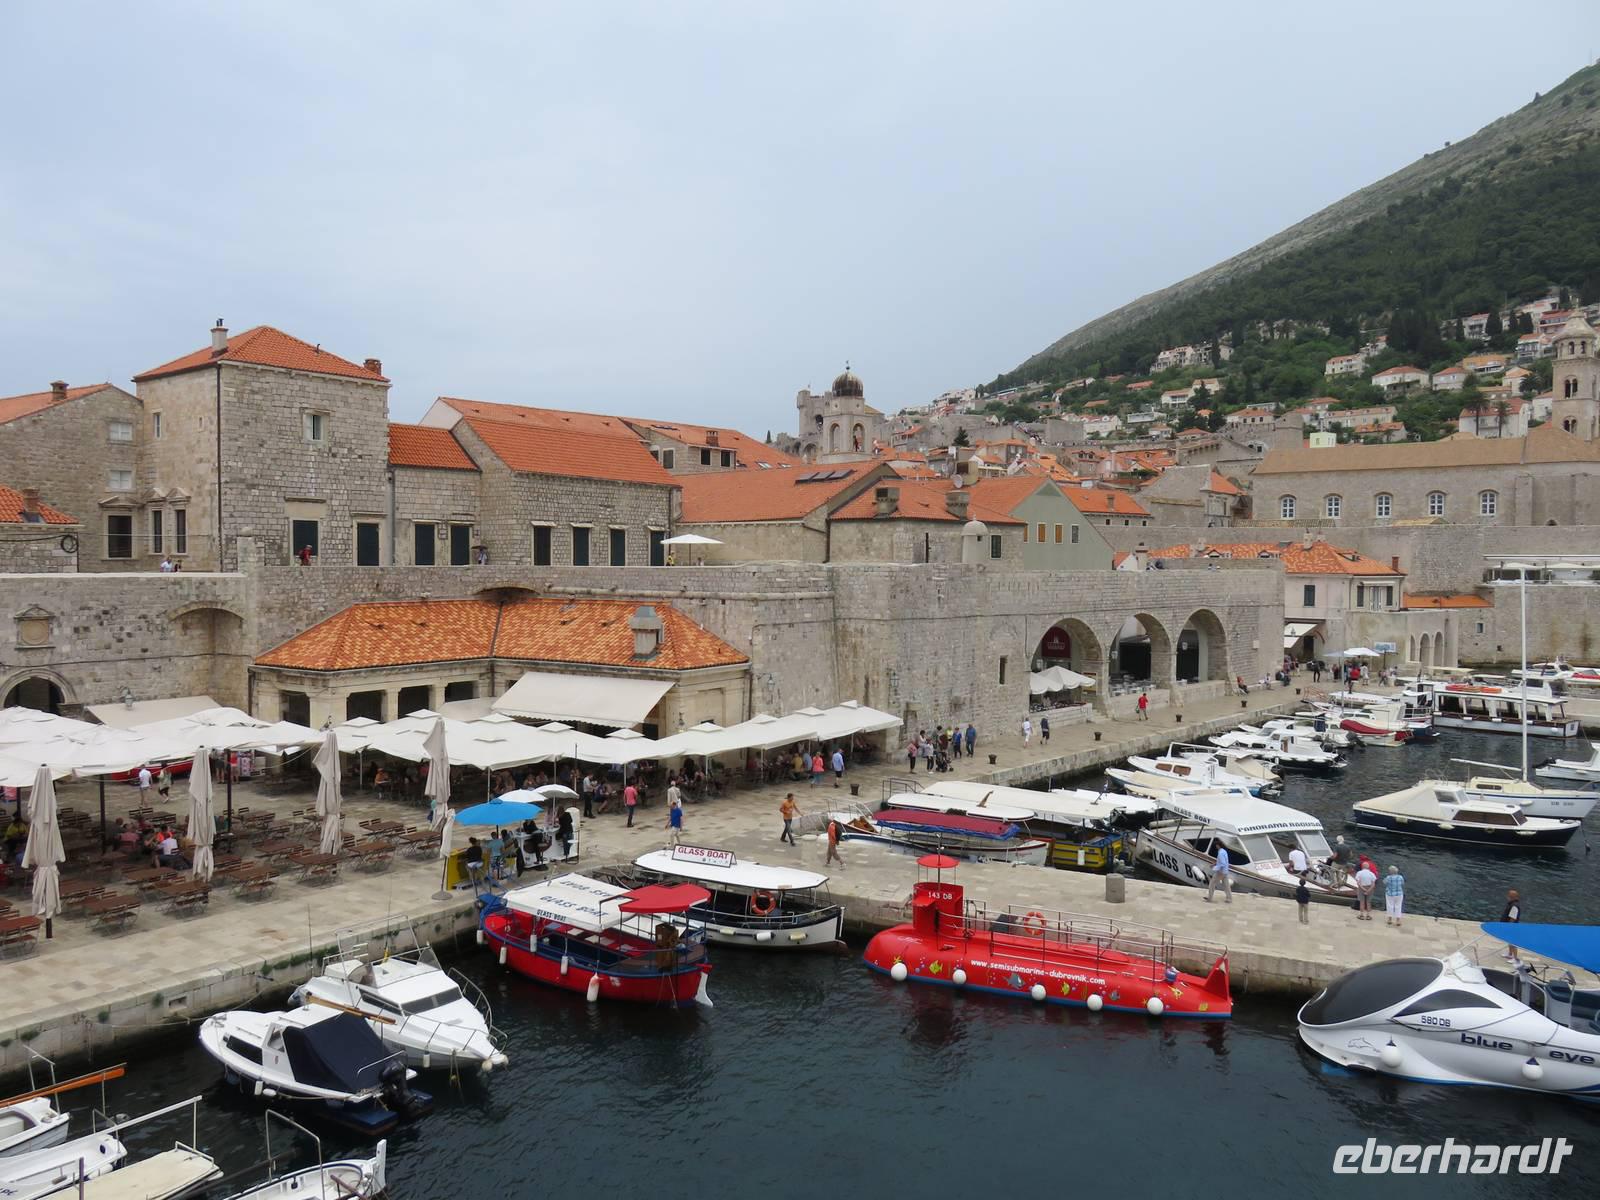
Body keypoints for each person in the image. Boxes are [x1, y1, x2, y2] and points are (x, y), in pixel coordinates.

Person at [1501, 890, 1522, 961]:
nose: (1507, 896)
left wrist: (1509, 927)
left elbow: (1513, 918)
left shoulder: (1514, 906)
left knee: (1513, 942)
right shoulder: (1512, 904)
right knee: (1509, 940)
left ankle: (1515, 958)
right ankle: (1510, 954)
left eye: (1509, 895)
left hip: (1512, 926)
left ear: (1512, 897)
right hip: (1509, 925)